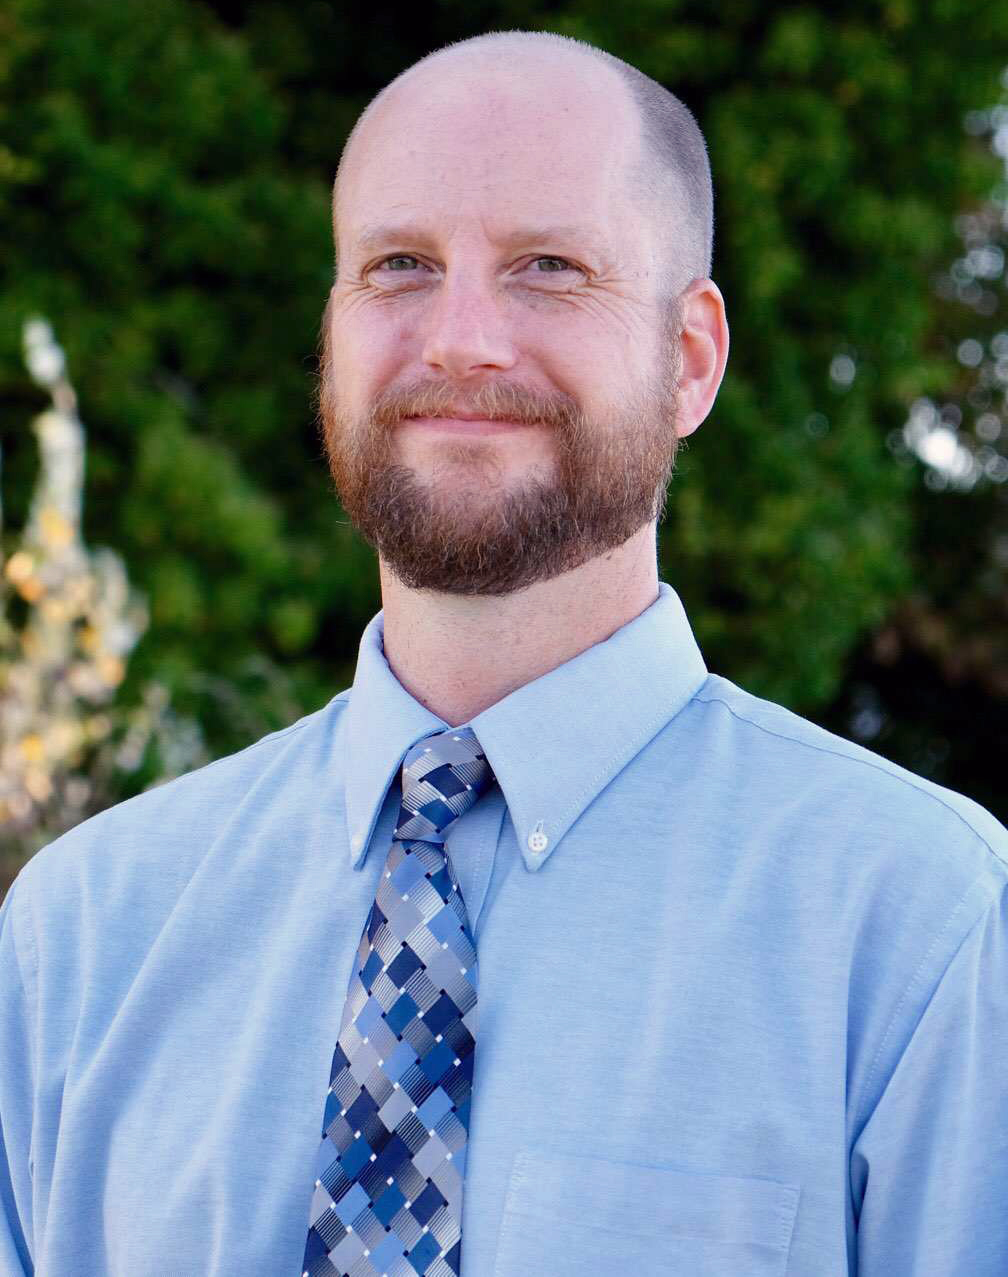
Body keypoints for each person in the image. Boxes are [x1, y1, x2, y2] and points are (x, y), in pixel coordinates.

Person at [1, 28, 1006, 1277]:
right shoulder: (80, 937)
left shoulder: (926, 929)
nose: (460, 338)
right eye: (400, 266)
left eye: (549, 266)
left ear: (690, 359)